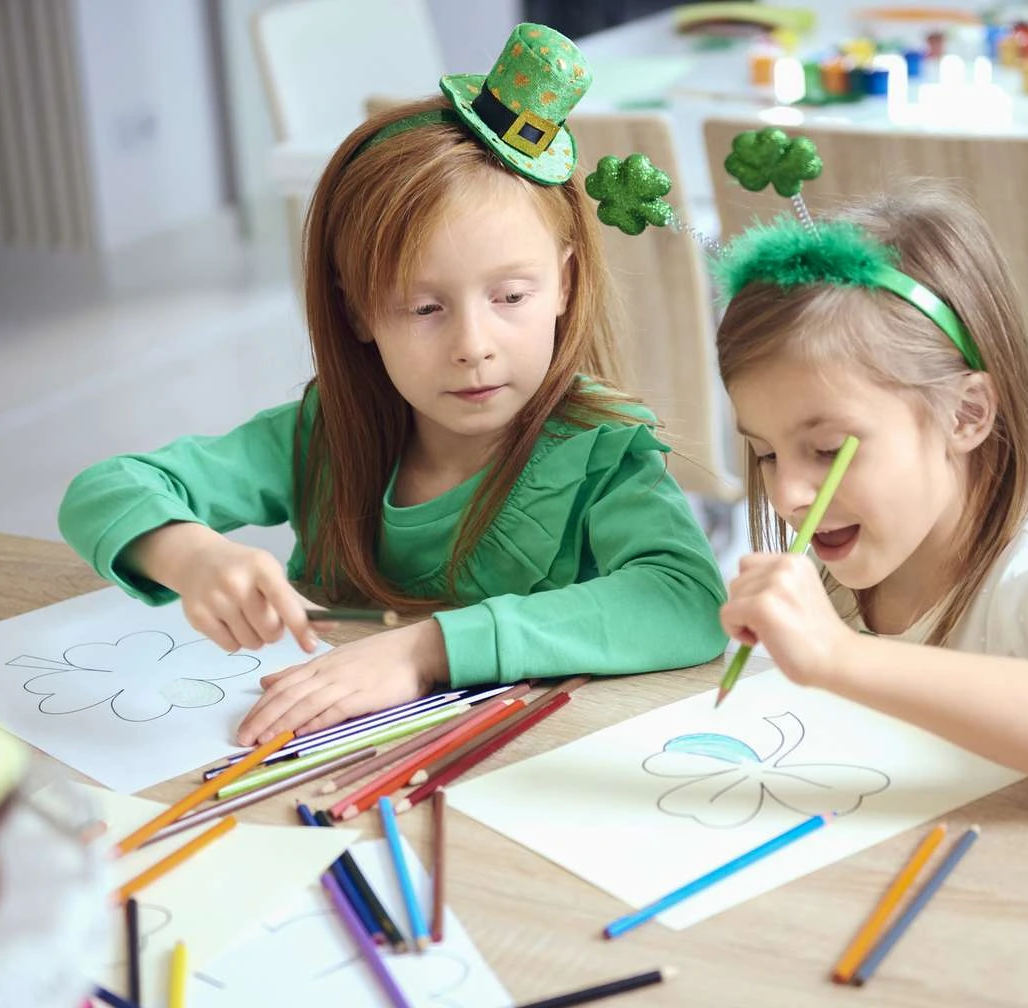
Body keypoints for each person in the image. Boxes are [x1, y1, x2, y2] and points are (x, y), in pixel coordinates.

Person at [58, 24, 727, 746]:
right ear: (358, 309)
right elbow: (105, 489)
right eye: (424, 307)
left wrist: (426, 649)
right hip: (324, 762)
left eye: (510, 297)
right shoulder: (326, 433)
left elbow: (686, 599)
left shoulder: (600, 452)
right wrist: (190, 555)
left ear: (564, 283)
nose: (474, 347)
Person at [714, 184, 1028, 790]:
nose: (789, 493)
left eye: (827, 450)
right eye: (766, 453)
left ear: (966, 415)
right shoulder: (819, 579)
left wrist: (840, 658)